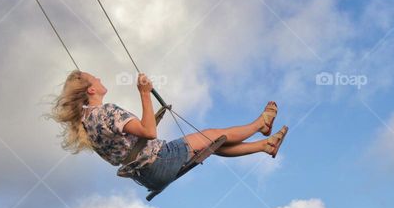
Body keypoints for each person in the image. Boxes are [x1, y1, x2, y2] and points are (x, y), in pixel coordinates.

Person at [50, 70, 287, 194]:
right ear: (92, 89)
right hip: (159, 160)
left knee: (208, 145)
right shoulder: (107, 112)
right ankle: (262, 124)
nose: (100, 78)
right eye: (95, 78)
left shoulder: (87, 126)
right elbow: (148, 132)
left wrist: (156, 115)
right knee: (213, 133)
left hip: (148, 178)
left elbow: (131, 143)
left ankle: (264, 146)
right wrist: (144, 93)